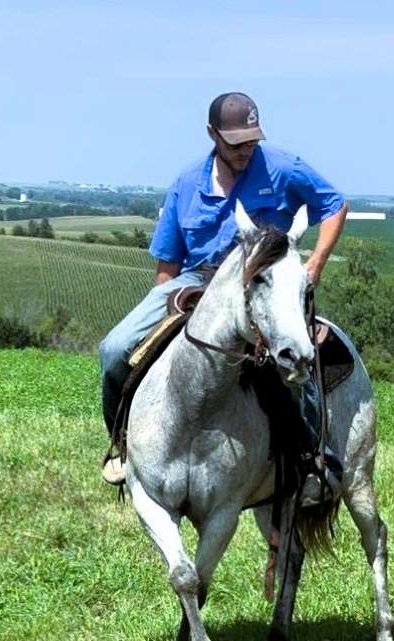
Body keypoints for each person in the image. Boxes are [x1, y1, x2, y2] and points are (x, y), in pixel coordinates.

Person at [100, 92, 348, 498]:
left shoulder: (284, 168)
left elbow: (334, 205)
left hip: (261, 283)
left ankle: (313, 461)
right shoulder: (186, 183)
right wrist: (165, 318)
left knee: (296, 357)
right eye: (236, 142)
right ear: (212, 134)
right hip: (197, 281)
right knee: (114, 349)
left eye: (252, 140)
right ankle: (124, 447)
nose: (245, 150)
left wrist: (313, 267)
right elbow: (167, 264)